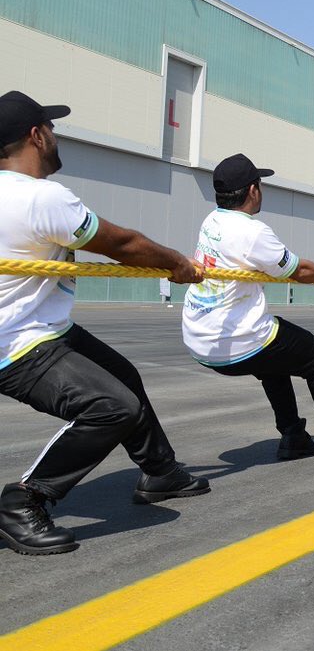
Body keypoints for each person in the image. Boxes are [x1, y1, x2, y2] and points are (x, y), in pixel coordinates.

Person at [0, 90, 209, 555]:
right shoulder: (40, 196)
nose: (55, 136)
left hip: (41, 326)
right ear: (36, 136)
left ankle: (160, 471)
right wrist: (177, 263)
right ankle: (22, 501)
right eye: (51, 128)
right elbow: (123, 244)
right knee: (113, 407)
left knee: (123, 375)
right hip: (17, 343)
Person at [182, 154, 314, 462]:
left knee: (275, 354)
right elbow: (298, 270)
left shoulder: (212, 220)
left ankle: (293, 436)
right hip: (234, 340)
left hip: (198, 337)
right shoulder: (251, 231)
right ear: (253, 190)